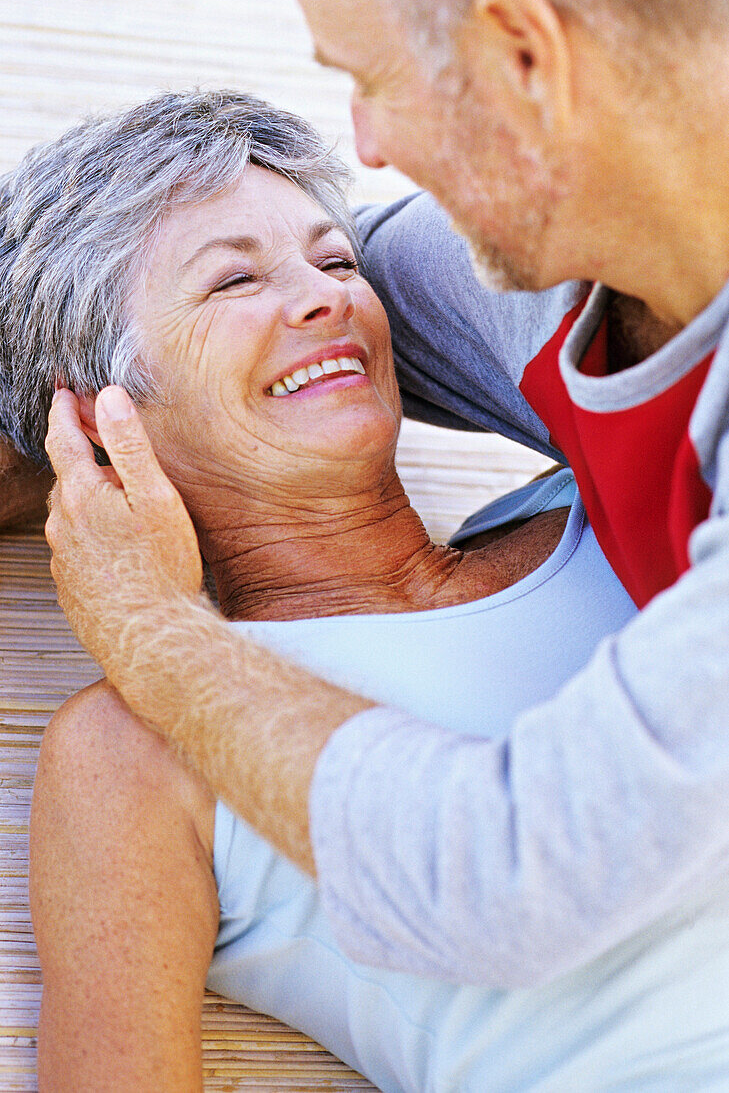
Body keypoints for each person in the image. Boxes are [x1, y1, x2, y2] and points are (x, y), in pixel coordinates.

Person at [1, 91, 645, 1088]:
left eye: (337, 261)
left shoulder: (617, 502)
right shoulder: (129, 751)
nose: (328, 298)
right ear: (97, 421)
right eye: (232, 282)